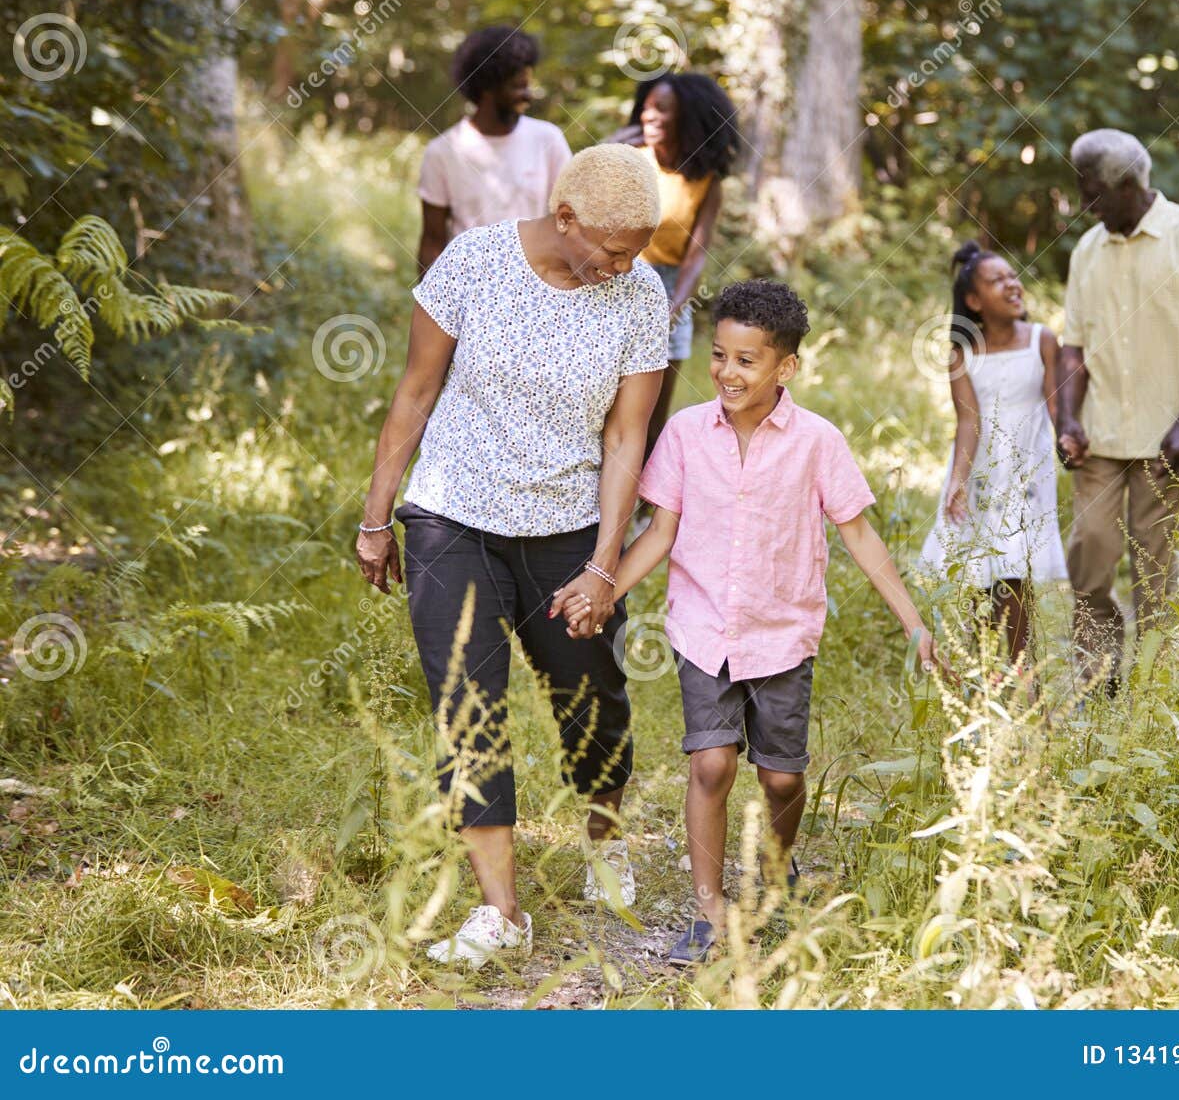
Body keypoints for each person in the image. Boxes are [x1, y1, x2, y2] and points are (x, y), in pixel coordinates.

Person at [554, 279, 937, 967]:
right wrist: (603, 583)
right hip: (703, 628)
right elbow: (660, 531)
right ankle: (709, 907)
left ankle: (780, 871)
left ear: (786, 366)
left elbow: (862, 538)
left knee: (782, 778)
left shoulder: (818, 441)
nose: (728, 372)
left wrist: (913, 623)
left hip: (783, 632)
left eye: (747, 360)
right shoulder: (685, 433)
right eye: (720, 356)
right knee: (710, 763)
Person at [357, 144, 668, 969]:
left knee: (592, 693)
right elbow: (415, 391)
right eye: (611, 247)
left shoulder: (639, 292)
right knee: (467, 702)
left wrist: (606, 564)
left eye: (637, 248)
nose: (623, 264)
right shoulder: (474, 262)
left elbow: (626, 434)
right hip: (452, 513)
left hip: (569, 528)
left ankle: (605, 839)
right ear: (564, 217)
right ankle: (502, 910)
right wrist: (376, 516)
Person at [1057, 129, 1179, 698]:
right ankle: (1098, 679)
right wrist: (1068, 418)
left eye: (1095, 195)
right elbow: (1074, 346)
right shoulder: (1089, 249)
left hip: (1168, 438)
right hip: (1101, 433)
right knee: (1089, 551)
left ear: (1131, 185)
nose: (1088, 207)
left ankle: (1154, 690)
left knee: (1153, 566)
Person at [920, 241, 1067, 669]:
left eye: (1012, 276)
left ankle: (1026, 677)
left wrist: (1072, 446)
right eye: (996, 280)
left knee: (1018, 574)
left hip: (1026, 473)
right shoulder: (963, 354)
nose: (1011, 285)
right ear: (973, 300)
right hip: (984, 474)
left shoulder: (1041, 340)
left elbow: (1057, 407)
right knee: (982, 575)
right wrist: (959, 482)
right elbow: (969, 422)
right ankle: (986, 679)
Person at [607, 72, 741, 451]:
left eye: (661, 109)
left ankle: (649, 504)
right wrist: (610, 146)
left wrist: (673, 310)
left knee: (651, 412)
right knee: (608, 405)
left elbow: (696, 256)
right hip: (621, 278)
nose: (648, 117)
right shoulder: (630, 161)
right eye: (646, 108)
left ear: (686, 117)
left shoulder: (705, 180)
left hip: (670, 290)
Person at [416, 26, 571, 276]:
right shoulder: (442, 152)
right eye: (518, 87)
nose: (528, 95)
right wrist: (429, 306)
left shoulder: (548, 139)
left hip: (537, 285)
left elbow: (570, 222)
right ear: (487, 88)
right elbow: (433, 240)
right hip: (470, 289)